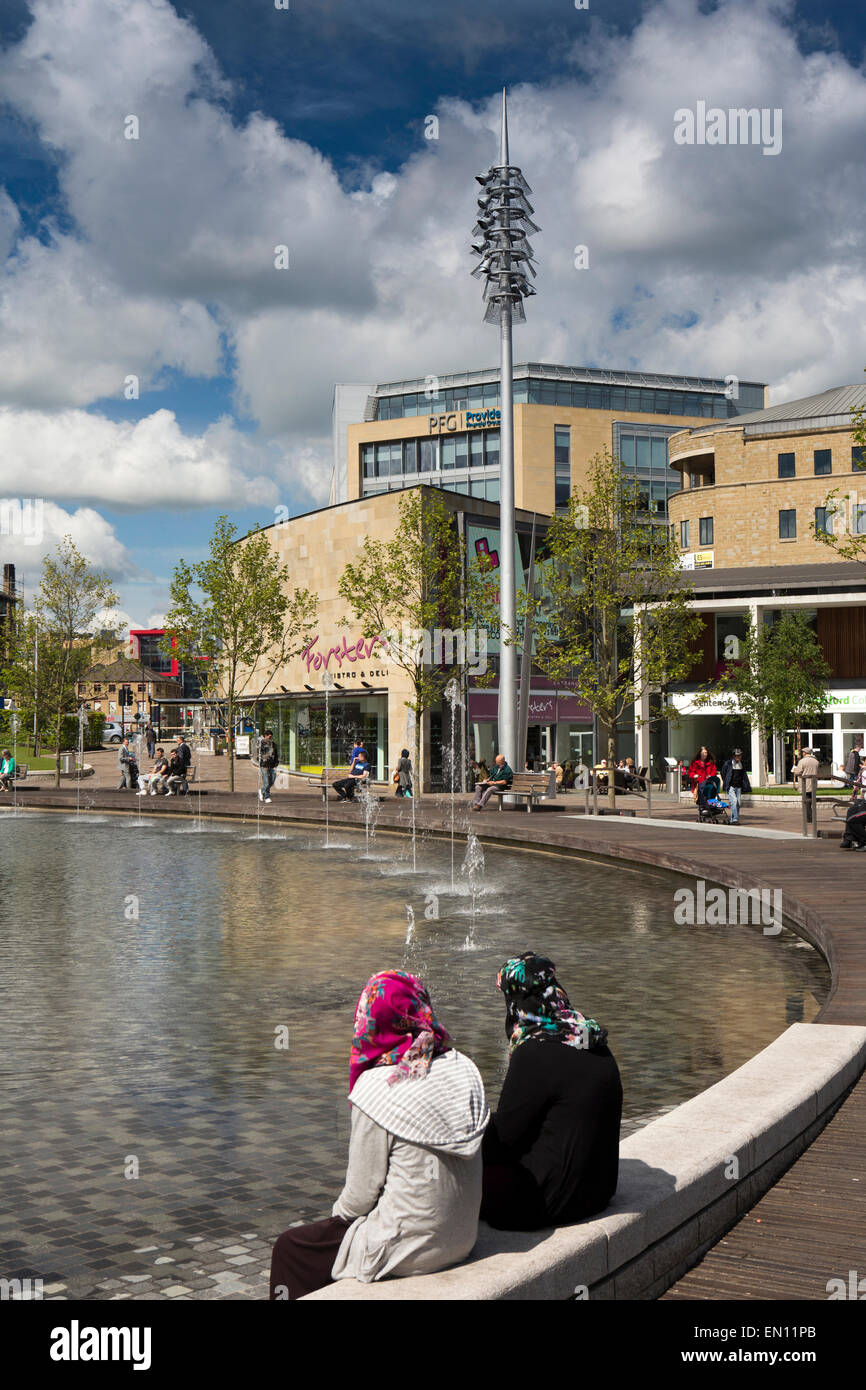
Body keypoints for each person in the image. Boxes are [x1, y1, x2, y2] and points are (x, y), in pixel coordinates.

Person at [269, 970, 488, 1299]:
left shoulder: (376, 1087)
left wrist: (336, 1226)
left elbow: (357, 1201)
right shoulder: (461, 1067)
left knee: (292, 1248)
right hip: (462, 1238)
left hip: (411, 1249)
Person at [481, 952, 622, 1231]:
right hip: (599, 1193)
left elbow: (505, 1139)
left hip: (549, 1202)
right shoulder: (589, 1037)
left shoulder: (534, 1051)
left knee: (459, 1178)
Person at [720, 748, 751, 825]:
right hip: (731, 786)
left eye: (740, 755)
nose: (739, 757)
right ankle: (735, 819)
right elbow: (723, 772)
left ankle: (733, 819)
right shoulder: (728, 763)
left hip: (739, 787)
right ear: (734, 756)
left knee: (738, 803)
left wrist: (746, 785)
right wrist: (726, 781)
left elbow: (744, 775)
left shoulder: (741, 764)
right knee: (734, 801)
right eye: (737, 755)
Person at [792, 746, 820, 824]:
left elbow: (798, 772)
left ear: (805, 753)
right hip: (813, 783)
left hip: (805, 784)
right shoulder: (816, 761)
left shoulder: (802, 761)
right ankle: (812, 816)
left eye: (803, 752)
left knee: (806, 802)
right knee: (811, 802)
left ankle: (809, 817)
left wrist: (795, 770)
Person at [257, 729, 279, 803]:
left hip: (272, 765)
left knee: (272, 780)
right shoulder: (261, 744)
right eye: (269, 737)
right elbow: (261, 755)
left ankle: (262, 791)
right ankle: (267, 797)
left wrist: (276, 763)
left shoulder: (273, 744)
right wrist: (264, 764)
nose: (270, 738)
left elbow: (276, 754)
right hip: (264, 766)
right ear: (265, 736)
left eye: (271, 737)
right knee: (266, 782)